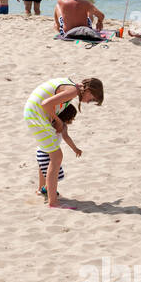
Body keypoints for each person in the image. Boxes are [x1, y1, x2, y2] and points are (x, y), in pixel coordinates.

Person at [24, 76, 102, 208]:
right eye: (92, 98)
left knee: (49, 152)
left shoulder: (71, 87)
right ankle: (53, 202)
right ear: (88, 90)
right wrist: (59, 121)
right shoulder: (72, 91)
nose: (89, 102)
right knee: (56, 156)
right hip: (36, 114)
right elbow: (45, 104)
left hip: (33, 112)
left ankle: (41, 189)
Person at [34, 104, 79, 197]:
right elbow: (66, 138)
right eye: (72, 118)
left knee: (44, 171)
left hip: (40, 151)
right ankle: (46, 189)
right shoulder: (63, 126)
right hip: (48, 153)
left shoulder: (51, 122)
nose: (73, 120)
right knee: (56, 175)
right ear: (67, 117)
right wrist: (75, 149)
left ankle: (40, 189)